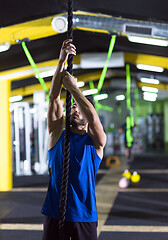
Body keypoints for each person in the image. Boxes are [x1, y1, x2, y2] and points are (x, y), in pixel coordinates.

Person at [41, 39, 106, 240]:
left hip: (84, 216)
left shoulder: (95, 142)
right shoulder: (57, 133)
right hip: (54, 213)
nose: (74, 108)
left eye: (79, 106)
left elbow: (93, 118)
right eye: (73, 106)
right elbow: (53, 100)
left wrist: (74, 89)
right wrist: (61, 61)